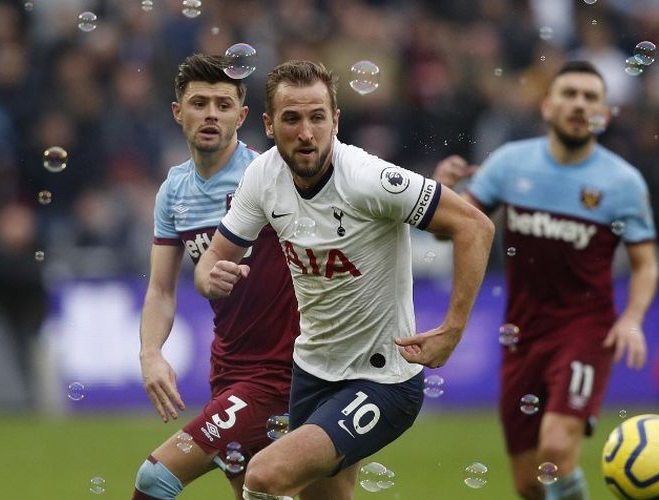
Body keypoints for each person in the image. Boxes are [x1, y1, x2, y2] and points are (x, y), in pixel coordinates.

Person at [194, 60, 495, 500]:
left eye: (317, 117)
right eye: (291, 118)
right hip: (313, 370)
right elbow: (212, 260)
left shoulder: (367, 179)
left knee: (262, 476)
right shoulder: (262, 177)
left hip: (384, 378)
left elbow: (475, 227)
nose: (306, 132)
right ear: (269, 125)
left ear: (335, 120)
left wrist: (453, 329)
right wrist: (209, 277)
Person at [434, 60, 658, 500]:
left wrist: (631, 318)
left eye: (591, 97)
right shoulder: (510, 164)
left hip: (584, 330)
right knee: (530, 484)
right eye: (569, 94)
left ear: (605, 114)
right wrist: (442, 193)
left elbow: (646, 263)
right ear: (547, 106)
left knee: (555, 448)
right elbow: (451, 231)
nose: (579, 104)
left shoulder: (623, 183)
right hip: (522, 334)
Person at [132, 54, 300, 500]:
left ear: (242, 117)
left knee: (155, 478)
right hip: (229, 367)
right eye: (199, 103)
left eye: (223, 105)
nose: (210, 114)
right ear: (177, 112)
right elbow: (161, 289)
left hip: (283, 369)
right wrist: (151, 352)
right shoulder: (173, 190)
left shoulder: (269, 176)